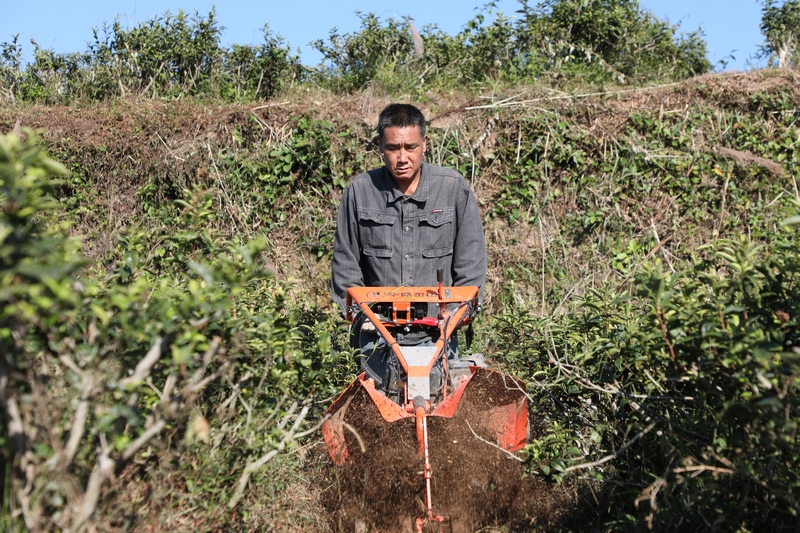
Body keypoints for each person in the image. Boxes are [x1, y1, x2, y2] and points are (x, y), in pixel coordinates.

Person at [331, 103, 487, 396]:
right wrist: (363, 320)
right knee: (375, 418)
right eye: (393, 148)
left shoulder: (453, 190)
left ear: (424, 144)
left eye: (410, 147)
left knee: (445, 413)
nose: (402, 157)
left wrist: (453, 318)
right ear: (380, 145)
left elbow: (471, 268)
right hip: (377, 338)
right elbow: (345, 267)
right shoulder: (360, 192)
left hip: (437, 336)